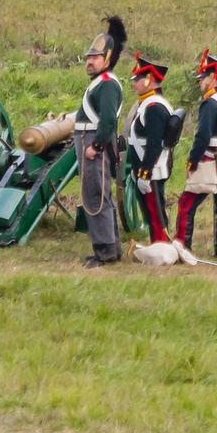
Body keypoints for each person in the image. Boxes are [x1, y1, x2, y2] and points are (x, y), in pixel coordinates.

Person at [174, 51, 217, 260]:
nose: (201, 82)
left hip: (210, 160)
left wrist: (192, 161)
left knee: (186, 203)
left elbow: (202, 136)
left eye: (203, 77)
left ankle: (182, 247)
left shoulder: (210, 103)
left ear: (212, 78)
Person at [75, 18, 128, 267]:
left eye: (95, 58)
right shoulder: (100, 83)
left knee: (96, 196)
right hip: (89, 142)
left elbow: (107, 119)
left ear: (107, 59)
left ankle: (104, 251)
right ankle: (110, 247)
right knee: (98, 195)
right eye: (89, 57)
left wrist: (95, 147)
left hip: (93, 146)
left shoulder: (107, 85)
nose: (90, 61)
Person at [123, 54, 179, 244]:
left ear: (150, 80)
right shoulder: (148, 103)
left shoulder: (154, 107)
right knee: (151, 211)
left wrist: (145, 173)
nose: (135, 84)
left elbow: (154, 143)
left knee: (155, 211)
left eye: (138, 79)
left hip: (151, 170)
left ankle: (161, 245)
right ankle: (158, 243)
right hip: (146, 169)